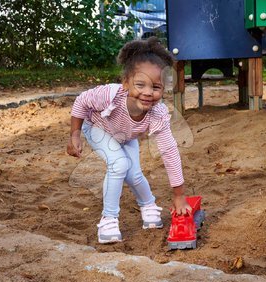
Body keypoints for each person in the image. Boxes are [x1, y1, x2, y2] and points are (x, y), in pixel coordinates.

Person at [67, 37, 190, 244]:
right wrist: (75, 135)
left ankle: (148, 205)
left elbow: (169, 151)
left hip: (125, 135)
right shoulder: (110, 95)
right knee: (119, 164)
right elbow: (81, 101)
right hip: (97, 127)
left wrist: (179, 194)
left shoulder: (157, 113)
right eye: (140, 84)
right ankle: (109, 219)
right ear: (126, 82)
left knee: (133, 173)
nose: (148, 93)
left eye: (156, 87)